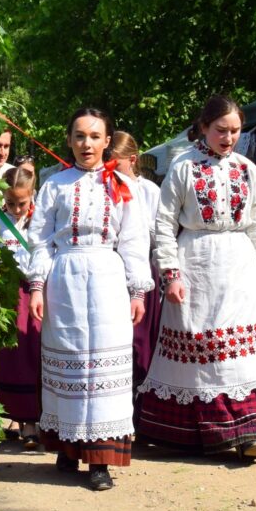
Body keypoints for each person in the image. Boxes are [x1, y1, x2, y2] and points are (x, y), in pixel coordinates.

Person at [137, 96, 256, 459]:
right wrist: (170, 273)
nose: (228, 138)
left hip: (240, 267)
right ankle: (195, 432)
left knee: (241, 354)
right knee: (205, 352)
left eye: (235, 131)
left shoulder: (246, 169)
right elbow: (163, 225)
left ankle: (250, 432)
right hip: (197, 264)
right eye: (221, 130)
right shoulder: (183, 167)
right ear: (204, 127)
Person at [26, 107, 152, 491]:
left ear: (107, 142)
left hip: (107, 279)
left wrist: (137, 291)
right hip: (64, 279)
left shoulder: (121, 186)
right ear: (69, 140)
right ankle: (67, 447)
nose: (87, 144)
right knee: (70, 361)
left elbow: (133, 240)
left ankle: (100, 459)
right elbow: (39, 238)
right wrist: (36, 285)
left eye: (95, 136)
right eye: (80, 136)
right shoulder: (55, 185)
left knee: (102, 367)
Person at [0, 166, 42, 450]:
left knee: (34, 354)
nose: (17, 209)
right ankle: (18, 421)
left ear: (32, 195)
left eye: (22, 203)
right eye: (11, 203)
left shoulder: (43, 221)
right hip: (8, 296)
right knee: (11, 357)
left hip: (37, 295)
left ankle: (34, 420)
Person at [110, 130, 162, 393]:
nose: (112, 169)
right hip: (112, 271)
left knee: (141, 340)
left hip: (142, 269)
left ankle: (141, 400)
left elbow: (159, 230)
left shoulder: (148, 190)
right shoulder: (106, 186)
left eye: (116, 163)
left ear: (131, 160)